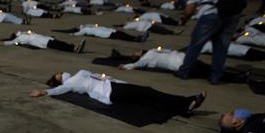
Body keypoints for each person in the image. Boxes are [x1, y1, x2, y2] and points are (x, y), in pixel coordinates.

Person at [30, 69, 206, 117]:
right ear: (59, 79)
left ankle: (183, 108)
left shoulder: (77, 76)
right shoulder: (71, 82)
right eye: (57, 75)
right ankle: (186, 102)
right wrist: (44, 92)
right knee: (149, 93)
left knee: (148, 100)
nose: (60, 72)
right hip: (112, 90)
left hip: (113, 88)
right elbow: (59, 90)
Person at [175, 0, 243, 84]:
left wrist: (184, 20)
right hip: (232, 16)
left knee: (196, 44)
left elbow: (189, 10)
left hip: (211, 15)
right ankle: (215, 76)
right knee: (221, 48)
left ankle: (184, 71)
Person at [100, 47, 250, 84]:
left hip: (185, 62)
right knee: (211, 71)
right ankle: (238, 77)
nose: (137, 51)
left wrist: (127, 65)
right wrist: (126, 66)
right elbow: (137, 64)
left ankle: (237, 77)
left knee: (211, 71)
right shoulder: (148, 57)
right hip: (186, 62)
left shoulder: (152, 52)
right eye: (136, 52)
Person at [3, 30, 85, 54]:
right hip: (43, 42)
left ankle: (73, 47)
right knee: (59, 45)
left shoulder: (23, 34)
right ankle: (73, 49)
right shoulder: (19, 38)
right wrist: (6, 41)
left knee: (60, 44)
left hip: (45, 39)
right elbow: (9, 43)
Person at [54, 23, 148, 42]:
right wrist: (73, 34)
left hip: (109, 31)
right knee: (122, 36)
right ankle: (136, 39)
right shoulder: (84, 30)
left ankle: (136, 37)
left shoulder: (87, 27)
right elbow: (79, 33)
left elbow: (89, 25)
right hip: (106, 34)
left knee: (122, 34)